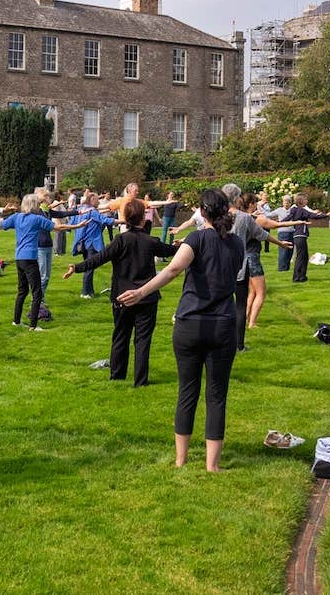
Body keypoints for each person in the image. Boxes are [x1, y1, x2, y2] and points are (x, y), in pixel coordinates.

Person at [118, 189, 244, 471]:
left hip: (190, 325)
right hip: (223, 326)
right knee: (216, 395)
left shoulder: (197, 239)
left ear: (202, 211)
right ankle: (212, 466)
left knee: (187, 391)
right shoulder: (237, 244)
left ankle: (181, 460)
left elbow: (174, 269)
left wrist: (140, 292)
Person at [64, 199, 177, 385]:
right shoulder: (150, 241)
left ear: (126, 219)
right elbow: (171, 250)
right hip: (146, 298)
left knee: (121, 336)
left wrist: (76, 267)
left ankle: (117, 375)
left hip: (122, 297)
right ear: (142, 219)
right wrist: (186, 245)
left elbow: (98, 259)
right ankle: (140, 380)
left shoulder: (121, 240)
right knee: (142, 340)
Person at [0, 195, 64, 330]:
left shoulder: (17, 217)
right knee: (37, 293)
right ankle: (33, 325)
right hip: (30, 259)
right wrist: (77, 225)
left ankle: (16, 321)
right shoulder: (37, 219)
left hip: (19, 259)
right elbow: (58, 227)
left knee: (22, 291)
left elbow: (1, 224)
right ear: (34, 205)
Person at [236, 192, 299, 334]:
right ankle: (252, 323)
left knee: (252, 291)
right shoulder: (253, 220)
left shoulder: (239, 217)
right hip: (252, 258)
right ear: (251, 204)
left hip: (243, 258)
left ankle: (245, 318)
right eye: (255, 202)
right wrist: (297, 223)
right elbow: (273, 228)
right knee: (261, 292)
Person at [70, 192, 119, 298]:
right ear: (92, 199)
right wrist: (122, 221)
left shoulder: (82, 209)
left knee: (88, 265)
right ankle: (85, 292)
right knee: (90, 267)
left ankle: (89, 291)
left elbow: (71, 222)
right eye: (97, 200)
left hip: (82, 242)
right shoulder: (92, 211)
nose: (98, 202)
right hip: (91, 243)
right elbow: (104, 220)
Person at [286, 193, 330, 283]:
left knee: (304, 256)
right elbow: (314, 216)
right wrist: (327, 215)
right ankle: (297, 277)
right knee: (301, 257)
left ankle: (302, 276)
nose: (307, 201)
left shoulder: (295, 210)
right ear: (301, 201)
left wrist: (278, 222)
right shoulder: (301, 210)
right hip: (301, 236)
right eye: (306, 199)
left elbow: (288, 217)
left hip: (297, 236)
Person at [265, 195, 295, 271]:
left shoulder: (293, 210)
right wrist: (260, 209)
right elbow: (269, 214)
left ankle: (287, 267)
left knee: (290, 250)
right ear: (282, 202)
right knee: (283, 251)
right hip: (282, 232)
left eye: (288, 202)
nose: (286, 203)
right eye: (285, 201)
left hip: (292, 232)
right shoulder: (279, 210)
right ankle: (282, 268)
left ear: (290, 203)